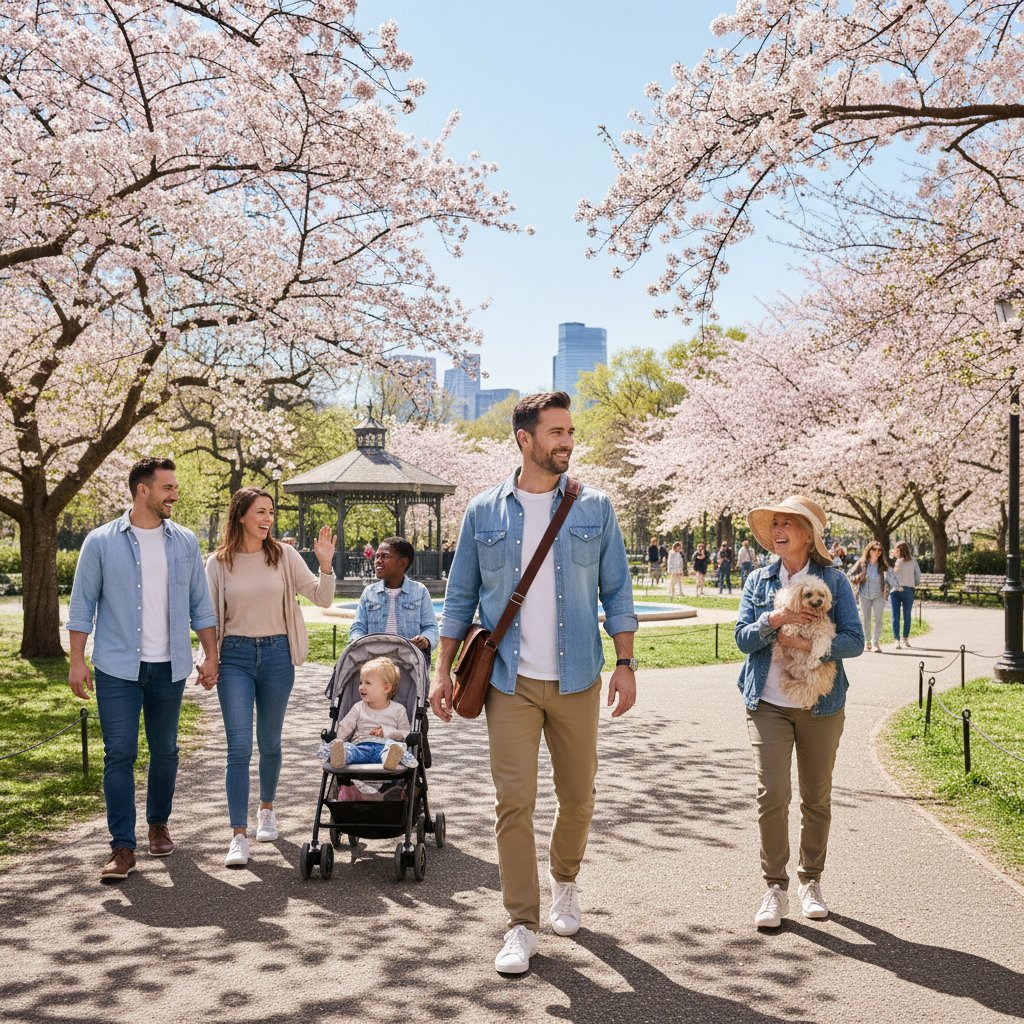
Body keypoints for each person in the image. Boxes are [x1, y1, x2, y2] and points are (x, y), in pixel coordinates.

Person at [430, 391, 637, 975]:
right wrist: (441, 672)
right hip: (508, 682)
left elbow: (617, 591)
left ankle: (564, 880)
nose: (567, 441)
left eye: (570, 431)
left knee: (578, 797)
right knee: (512, 803)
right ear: (525, 439)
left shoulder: (595, 507)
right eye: (556, 432)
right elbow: (459, 599)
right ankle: (521, 920)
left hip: (577, 680)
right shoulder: (482, 511)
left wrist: (625, 663)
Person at [68, 457, 219, 882]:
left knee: (166, 751)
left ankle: (158, 823)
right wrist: (77, 662)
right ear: (142, 490)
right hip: (117, 668)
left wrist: (211, 655)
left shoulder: (185, 541)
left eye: (175, 487)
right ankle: (121, 846)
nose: (175, 494)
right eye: (168, 487)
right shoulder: (100, 542)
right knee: (119, 754)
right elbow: (82, 608)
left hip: (169, 666)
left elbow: (200, 605)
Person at [736, 495, 863, 928]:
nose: (778, 530)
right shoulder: (758, 580)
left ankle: (811, 879)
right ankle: (775, 886)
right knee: (772, 794)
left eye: (787, 523)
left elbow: (854, 641)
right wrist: (773, 622)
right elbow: (741, 639)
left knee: (816, 798)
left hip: (822, 705)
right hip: (767, 703)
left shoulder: (835, 581)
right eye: (774, 524)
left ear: (808, 534)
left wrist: (807, 644)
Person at [205, 487, 336, 868]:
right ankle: (238, 835)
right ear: (241, 515)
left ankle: (267, 809)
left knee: (271, 743)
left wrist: (325, 565)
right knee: (239, 747)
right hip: (235, 659)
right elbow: (208, 618)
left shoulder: (283, 556)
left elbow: (322, 599)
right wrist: (208, 658)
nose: (267, 519)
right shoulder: (218, 563)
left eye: (271, 512)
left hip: (278, 655)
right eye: (260, 511)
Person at [349, 536, 439, 662]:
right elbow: (358, 627)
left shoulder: (419, 591)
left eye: (385, 556)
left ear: (403, 563)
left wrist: (426, 639)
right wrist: (356, 640)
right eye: (377, 556)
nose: (378, 561)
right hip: (376, 665)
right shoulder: (369, 592)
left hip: (410, 665)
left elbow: (431, 628)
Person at [328, 656, 409, 771]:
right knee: (349, 749)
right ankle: (342, 756)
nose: (361, 687)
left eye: (368, 683)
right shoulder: (358, 707)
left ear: (386, 688)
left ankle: (389, 760)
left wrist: (386, 731)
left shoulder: (398, 710)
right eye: (361, 682)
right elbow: (345, 726)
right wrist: (338, 740)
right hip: (361, 746)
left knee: (395, 748)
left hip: (385, 746)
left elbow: (405, 734)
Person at [847, 541, 890, 654]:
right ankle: (867, 642)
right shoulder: (861, 563)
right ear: (869, 550)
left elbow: (890, 579)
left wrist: (887, 588)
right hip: (864, 595)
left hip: (879, 595)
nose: (877, 552)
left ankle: (875, 643)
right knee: (865, 619)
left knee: (878, 619)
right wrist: (860, 577)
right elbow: (850, 575)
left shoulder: (883, 565)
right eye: (874, 549)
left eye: (879, 550)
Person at [890, 541, 922, 649]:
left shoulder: (896, 562)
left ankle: (896, 640)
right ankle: (905, 639)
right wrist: (913, 584)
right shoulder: (913, 561)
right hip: (908, 590)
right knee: (907, 615)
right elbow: (917, 577)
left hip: (895, 591)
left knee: (895, 616)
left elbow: (890, 576)